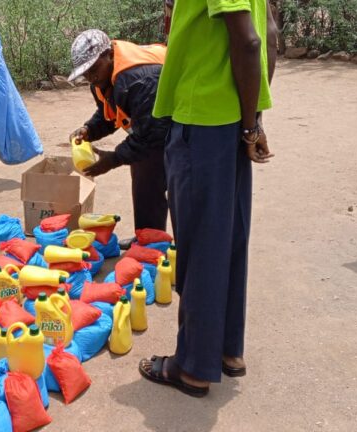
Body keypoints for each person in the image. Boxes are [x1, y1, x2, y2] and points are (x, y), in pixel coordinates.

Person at [138, 0, 277, 396]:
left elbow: (250, 42)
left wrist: (250, 127)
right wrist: (252, 120)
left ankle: (194, 366)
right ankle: (228, 350)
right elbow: (269, 34)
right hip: (230, 119)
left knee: (200, 246)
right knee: (228, 239)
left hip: (202, 121)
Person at [67, 30, 171, 248]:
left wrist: (113, 159)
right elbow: (111, 113)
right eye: (85, 73)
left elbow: (151, 134)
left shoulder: (138, 80)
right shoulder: (102, 80)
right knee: (144, 178)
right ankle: (147, 240)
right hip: (152, 126)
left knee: (180, 187)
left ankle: (178, 250)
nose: (91, 77)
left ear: (109, 54)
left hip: (182, 125)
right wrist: (89, 130)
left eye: (94, 69)